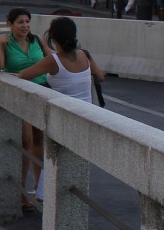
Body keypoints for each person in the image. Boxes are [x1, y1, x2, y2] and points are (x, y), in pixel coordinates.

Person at [15, 17, 106, 201]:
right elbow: (100, 76)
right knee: (72, 161)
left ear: (53, 38)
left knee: (54, 158)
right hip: (86, 116)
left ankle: (43, 195)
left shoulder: (53, 60)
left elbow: (24, 75)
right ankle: (61, 196)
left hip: (62, 117)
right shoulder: (84, 55)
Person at [0, 8, 52, 210]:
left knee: (39, 140)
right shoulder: (5, 42)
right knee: (25, 143)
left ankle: (40, 189)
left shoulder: (38, 41)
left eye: (27, 22)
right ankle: (21, 193)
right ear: (10, 23)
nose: (25, 26)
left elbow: (52, 62)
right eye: (20, 22)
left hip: (41, 92)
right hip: (20, 96)